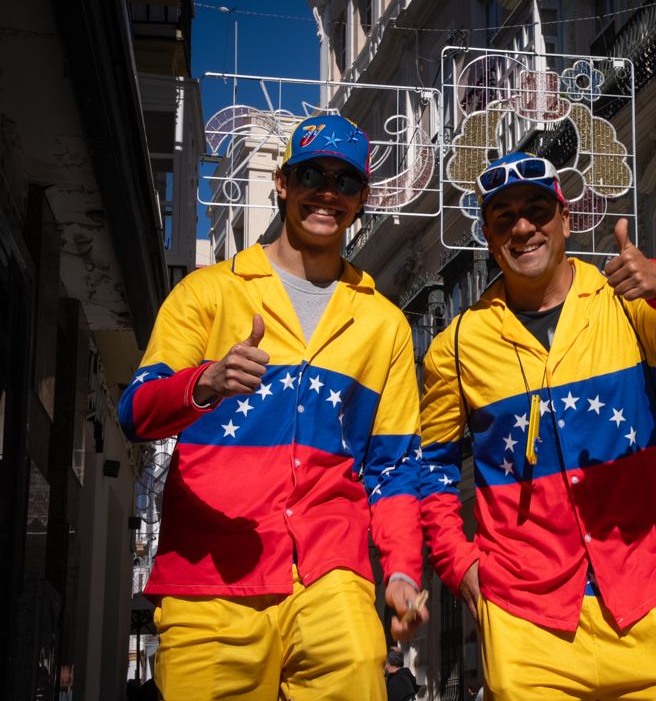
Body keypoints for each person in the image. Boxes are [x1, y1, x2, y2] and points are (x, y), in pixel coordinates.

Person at [119, 114, 428, 700]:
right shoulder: (208, 292)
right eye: (311, 173)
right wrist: (203, 382)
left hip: (333, 575)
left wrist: (403, 569)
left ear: (362, 198)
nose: (327, 192)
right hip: (212, 577)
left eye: (345, 181)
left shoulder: (384, 323)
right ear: (283, 183)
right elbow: (135, 413)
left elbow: (394, 468)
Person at [418, 151, 656, 700]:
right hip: (528, 622)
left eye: (537, 210)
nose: (523, 227)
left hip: (651, 601)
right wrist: (458, 563)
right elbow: (433, 470)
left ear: (564, 219)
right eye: (504, 218)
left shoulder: (623, 299)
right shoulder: (456, 347)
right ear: (490, 238)